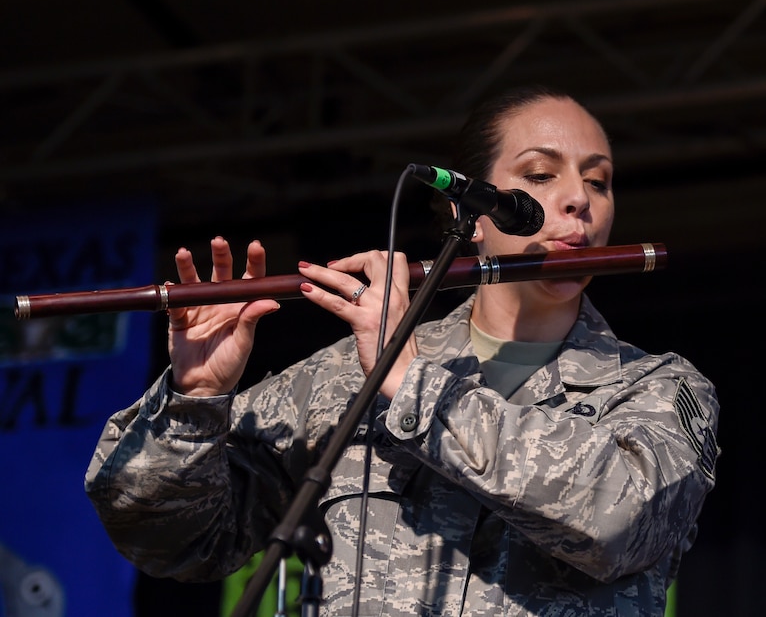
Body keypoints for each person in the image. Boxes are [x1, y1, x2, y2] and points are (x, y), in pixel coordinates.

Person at [85, 85, 720, 616]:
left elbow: (617, 523)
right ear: (465, 207)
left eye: (599, 181)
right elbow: (172, 539)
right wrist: (196, 402)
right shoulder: (340, 378)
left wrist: (413, 380)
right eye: (539, 174)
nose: (579, 199)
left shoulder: (658, 388)